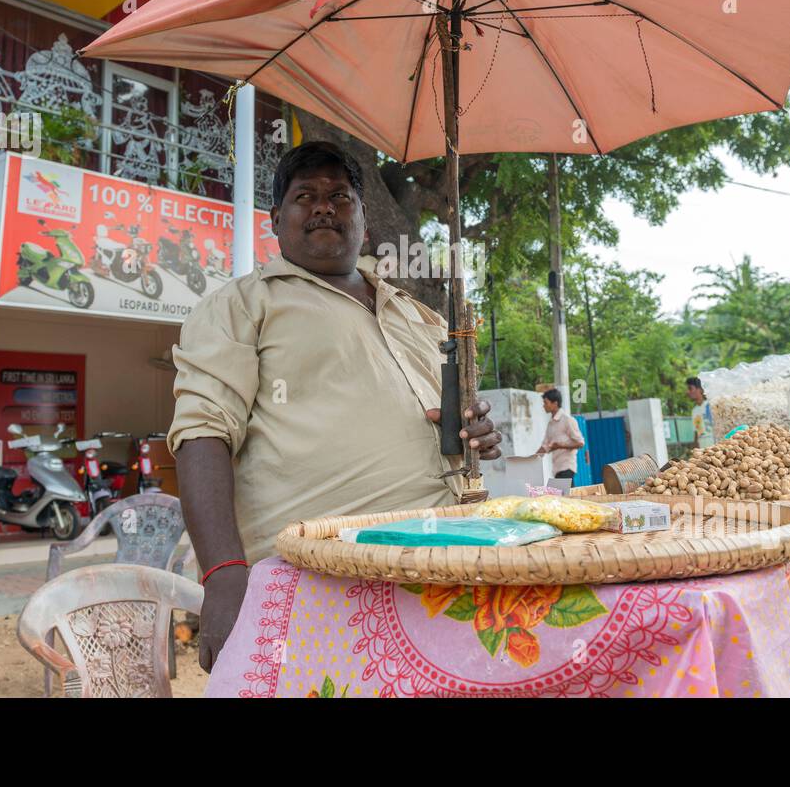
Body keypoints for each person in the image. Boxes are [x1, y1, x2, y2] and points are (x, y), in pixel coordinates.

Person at [169, 141, 502, 671]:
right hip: (320, 574)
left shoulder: (423, 317)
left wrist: (476, 433)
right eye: (305, 196)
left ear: (364, 222)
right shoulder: (240, 306)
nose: (324, 206)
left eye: (340, 196)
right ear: (276, 221)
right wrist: (225, 572)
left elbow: (455, 426)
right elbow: (201, 434)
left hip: (449, 560)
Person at [533, 388, 585, 479]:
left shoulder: (567, 420)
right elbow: (545, 446)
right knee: (563, 493)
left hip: (567, 467)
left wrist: (560, 446)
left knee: (563, 493)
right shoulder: (551, 423)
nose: (544, 406)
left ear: (555, 403)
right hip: (557, 468)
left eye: (546, 402)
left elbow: (580, 443)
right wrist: (529, 460)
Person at [686, 376, 715, 449]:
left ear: (700, 390)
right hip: (703, 449)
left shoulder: (711, 404)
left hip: (717, 447)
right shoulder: (694, 411)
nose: (687, 392)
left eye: (690, 388)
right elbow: (696, 432)